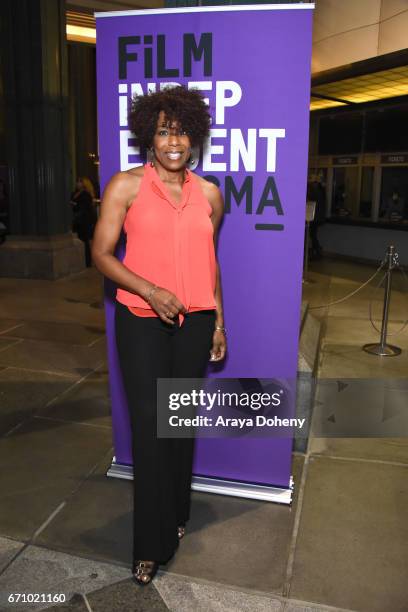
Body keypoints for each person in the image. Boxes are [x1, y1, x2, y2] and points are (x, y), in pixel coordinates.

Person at [91, 86, 227, 585]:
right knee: (150, 428)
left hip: (194, 323)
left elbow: (210, 265)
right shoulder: (125, 186)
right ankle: (150, 543)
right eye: (165, 130)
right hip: (142, 320)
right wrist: (151, 291)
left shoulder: (209, 194)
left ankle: (177, 513)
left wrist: (217, 321)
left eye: (183, 130)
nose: (175, 141)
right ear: (148, 135)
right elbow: (101, 254)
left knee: (178, 422)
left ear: (195, 137)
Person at [70, 176, 97, 266]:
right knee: (78, 240)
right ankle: (79, 261)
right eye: (77, 181)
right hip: (77, 220)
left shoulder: (86, 194)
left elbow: (84, 208)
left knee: (84, 241)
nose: (78, 183)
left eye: (80, 182)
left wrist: (75, 205)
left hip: (84, 221)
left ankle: (87, 262)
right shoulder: (74, 193)